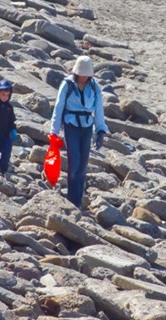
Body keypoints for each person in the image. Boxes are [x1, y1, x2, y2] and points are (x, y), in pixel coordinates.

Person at [49, 55, 109, 208]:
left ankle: (78, 200)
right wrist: (54, 132)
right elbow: (59, 107)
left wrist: (101, 131)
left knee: (83, 166)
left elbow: (98, 110)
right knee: (74, 164)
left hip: (87, 126)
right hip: (71, 126)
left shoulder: (94, 87)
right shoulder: (67, 84)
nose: (83, 77)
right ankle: (72, 201)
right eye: (81, 74)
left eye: (86, 74)